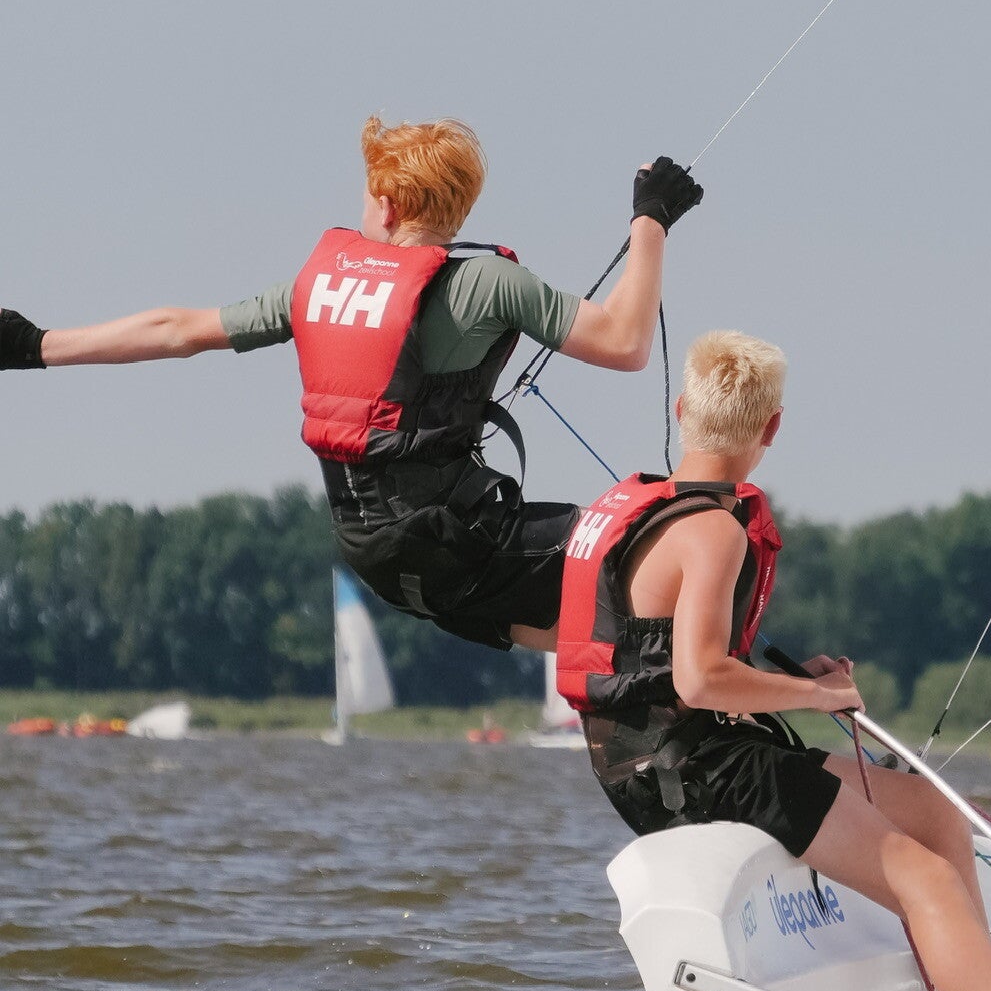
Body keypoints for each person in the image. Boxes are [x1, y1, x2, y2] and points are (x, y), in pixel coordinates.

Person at [556, 327, 991, 991]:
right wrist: (818, 695)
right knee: (925, 880)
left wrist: (801, 681)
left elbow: (668, 662)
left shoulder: (644, 509)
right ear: (771, 429)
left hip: (678, 758)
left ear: (681, 411)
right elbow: (700, 680)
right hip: (687, 773)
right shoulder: (713, 532)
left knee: (933, 814)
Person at [0, 116, 702, 654]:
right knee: (668, 538)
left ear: (388, 206)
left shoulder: (319, 288)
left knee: (580, 626)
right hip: (454, 546)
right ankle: (708, 696)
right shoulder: (492, 282)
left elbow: (176, 329)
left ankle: (669, 684)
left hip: (380, 561)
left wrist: (36, 345)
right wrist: (651, 218)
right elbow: (625, 342)